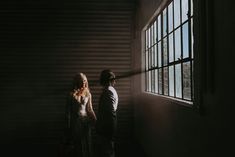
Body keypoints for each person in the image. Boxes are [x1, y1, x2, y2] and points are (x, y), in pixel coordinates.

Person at [66, 73, 97, 157]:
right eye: (81, 80)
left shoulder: (88, 94)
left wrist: (96, 121)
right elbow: (68, 112)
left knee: (86, 142)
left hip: (85, 122)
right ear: (77, 81)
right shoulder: (71, 95)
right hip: (75, 123)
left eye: (84, 80)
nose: (83, 82)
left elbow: (90, 109)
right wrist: (68, 126)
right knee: (77, 144)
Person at [95, 69, 119, 157]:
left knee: (107, 151)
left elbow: (109, 112)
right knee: (108, 149)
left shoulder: (108, 91)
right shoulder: (109, 90)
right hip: (108, 125)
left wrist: (102, 126)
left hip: (107, 126)